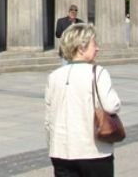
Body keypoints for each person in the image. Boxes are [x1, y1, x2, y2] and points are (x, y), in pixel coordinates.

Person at [45, 23, 121, 177]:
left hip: (61, 151)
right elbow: (112, 106)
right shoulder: (97, 73)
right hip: (92, 150)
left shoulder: (54, 76)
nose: (97, 48)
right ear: (81, 48)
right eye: (94, 44)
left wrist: (52, 144)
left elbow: (48, 119)